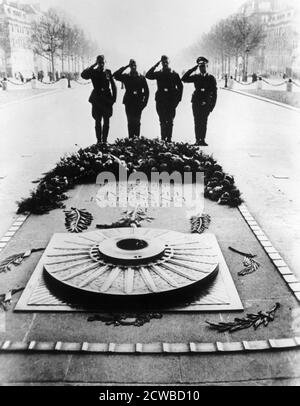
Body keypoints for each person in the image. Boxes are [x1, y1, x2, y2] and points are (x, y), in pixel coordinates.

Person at [146, 55, 183, 142]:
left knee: (170, 121)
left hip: (171, 101)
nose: (165, 64)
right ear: (161, 63)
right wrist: (155, 65)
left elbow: (180, 87)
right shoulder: (159, 73)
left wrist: (178, 100)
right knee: (162, 120)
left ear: (169, 63)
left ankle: (169, 139)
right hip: (160, 101)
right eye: (163, 62)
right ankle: (163, 139)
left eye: (166, 62)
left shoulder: (174, 74)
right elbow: (148, 75)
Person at [182, 57, 217, 146]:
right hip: (196, 102)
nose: (202, 68)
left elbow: (214, 93)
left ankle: (203, 139)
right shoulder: (196, 77)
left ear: (207, 66)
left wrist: (211, 106)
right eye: (200, 67)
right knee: (197, 121)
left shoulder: (211, 78)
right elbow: (184, 79)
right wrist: (193, 69)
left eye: (204, 66)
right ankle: (197, 139)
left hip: (206, 103)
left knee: (204, 121)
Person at [81, 55, 117, 144]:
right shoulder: (93, 72)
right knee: (97, 121)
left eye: (102, 62)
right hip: (97, 99)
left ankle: (104, 140)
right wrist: (93, 65)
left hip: (107, 100)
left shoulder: (108, 72)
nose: (101, 64)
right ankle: (99, 141)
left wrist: (113, 99)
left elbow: (113, 85)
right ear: (97, 63)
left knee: (107, 121)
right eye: (99, 62)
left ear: (105, 63)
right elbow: (83, 75)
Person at [114, 59, 149, 139]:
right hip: (129, 102)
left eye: (134, 65)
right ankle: (130, 139)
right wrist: (125, 67)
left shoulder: (141, 77)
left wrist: (144, 103)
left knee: (137, 122)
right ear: (130, 67)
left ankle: (136, 139)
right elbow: (115, 75)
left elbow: (147, 91)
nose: (133, 67)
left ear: (136, 66)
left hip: (138, 102)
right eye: (131, 66)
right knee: (130, 122)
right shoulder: (126, 76)